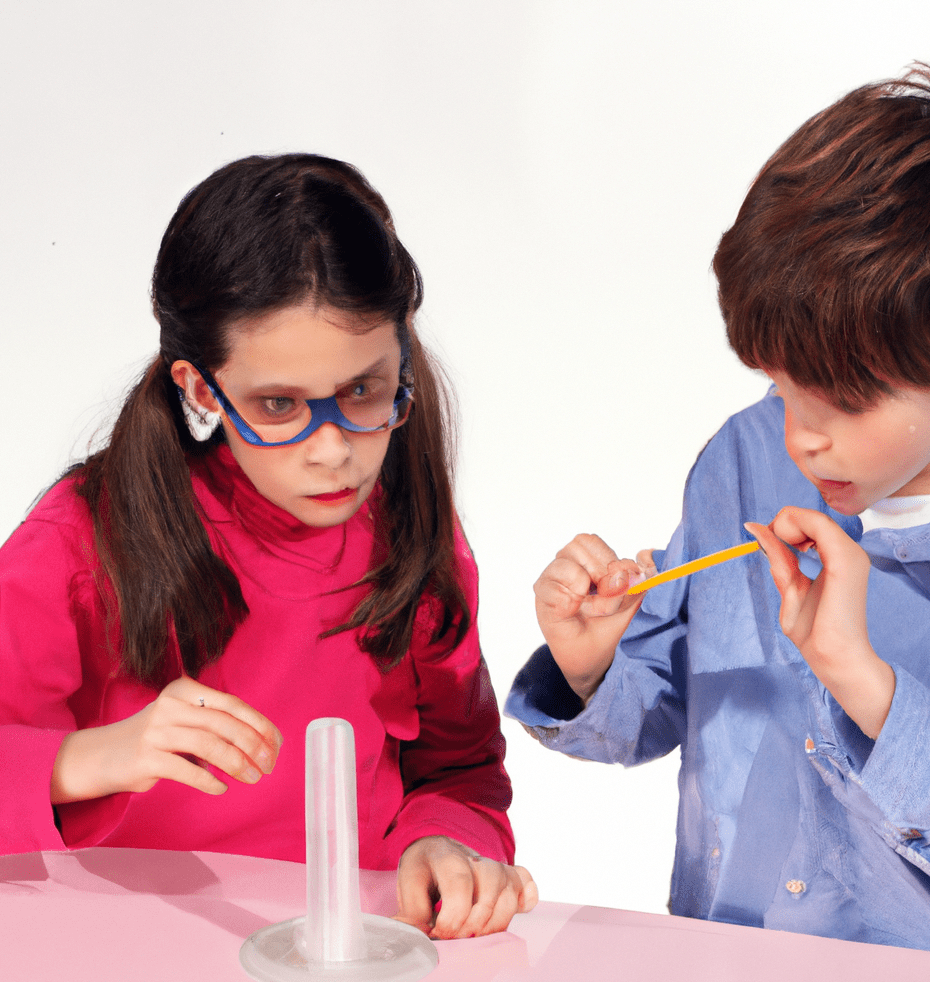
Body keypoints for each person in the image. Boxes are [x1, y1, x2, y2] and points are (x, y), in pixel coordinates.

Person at [505, 66, 930, 961]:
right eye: (780, 384)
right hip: (723, 975)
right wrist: (591, 667)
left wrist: (865, 681)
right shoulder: (744, 460)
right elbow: (665, 704)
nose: (800, 439)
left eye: (844, 400)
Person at [0, 153, 536, 939]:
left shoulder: (413, 537)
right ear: (198, 388)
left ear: (403, 362)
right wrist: (93, 758)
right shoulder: (82, 542)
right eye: (278, 404)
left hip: (341, 967)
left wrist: (447, 843)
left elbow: (460, 772)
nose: (333, 451)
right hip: (121, 966)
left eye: (364, 389)